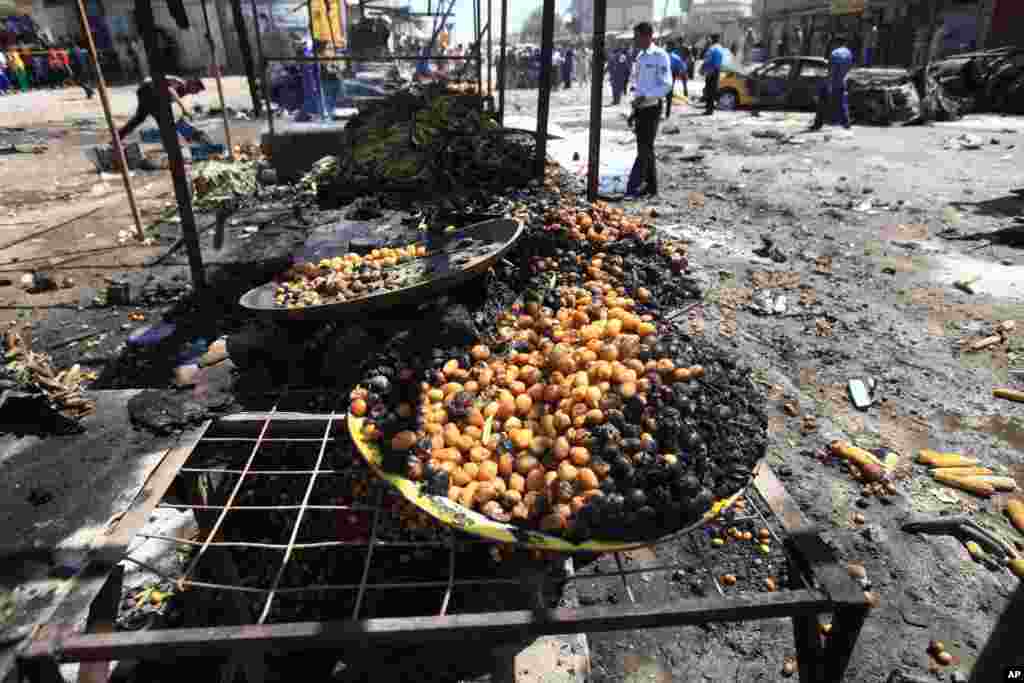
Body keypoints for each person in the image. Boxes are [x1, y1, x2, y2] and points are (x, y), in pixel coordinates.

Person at [625, 22, 672, 199]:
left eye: (637, 36)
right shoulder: (640, 57)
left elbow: (666, 85)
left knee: (645, 148)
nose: (634, 40)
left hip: (652, 107)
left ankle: (638, 185)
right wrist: (634, 104)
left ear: (647, 36)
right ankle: (651, 187)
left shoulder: (660, 55)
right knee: (644, 147)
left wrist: (646, 97)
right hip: (639, 107)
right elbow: (636, 84)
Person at [116, 75, 205, 142]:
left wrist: (187, 113)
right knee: (165, 121)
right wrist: (184, 109)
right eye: (196, 90)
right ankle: (173, 145)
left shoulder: (184, 91)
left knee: (140, 118)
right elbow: (171, 90)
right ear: (192, 83)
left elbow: (169, 100)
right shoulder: (179, 82)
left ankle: (117, 138)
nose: (196, 93)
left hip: (150, 94)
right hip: (147, 90)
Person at [811, 36, 853, 130]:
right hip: (841, 82)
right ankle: (846, 123)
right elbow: (849, 67)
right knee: (841, 103)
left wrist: (829, 84)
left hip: (832, 83)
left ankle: (817, 124)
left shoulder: (835, 53)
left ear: (836, 44)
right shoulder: (848, 53)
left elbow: (832, 70)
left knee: (822, 104)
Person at [700, 33, 724, 115]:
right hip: (717, 70)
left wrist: (703, 68)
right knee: (713, 90)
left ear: (712, 39)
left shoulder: (712, 48)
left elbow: (707, 59)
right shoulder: (720, 48)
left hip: (711, 70)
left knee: (709, 90)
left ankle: (709, 109)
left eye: (710, 39)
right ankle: (710, 109)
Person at [666, 46, 686, 117]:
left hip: (664, 74)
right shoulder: (676, 57)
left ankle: (660, 112)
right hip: (672, 75)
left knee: (660, 93)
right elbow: (682, 67)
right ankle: (667, 113)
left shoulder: (663, 55)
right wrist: (679, 73)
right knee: (669, 94)